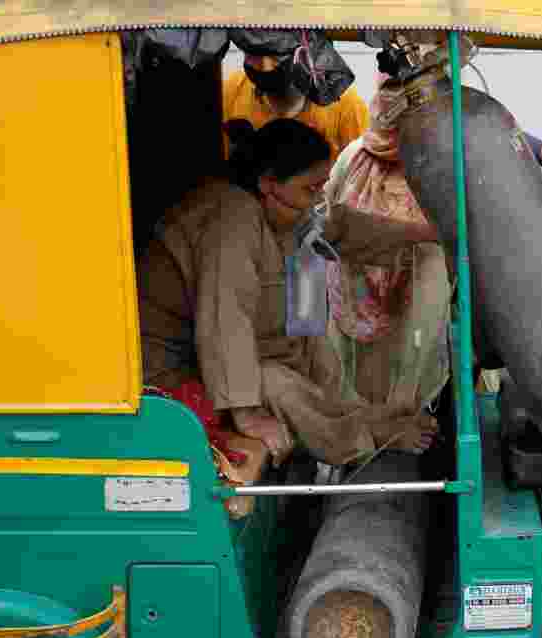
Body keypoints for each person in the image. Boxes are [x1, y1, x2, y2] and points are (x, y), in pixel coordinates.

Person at [137, 119, 439, 467]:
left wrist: (424, 233)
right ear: (267, 184)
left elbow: (342, 226)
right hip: (167, 373)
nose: (318, 201)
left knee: (310, 341)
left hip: (211, 356)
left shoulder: (285, 208)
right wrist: (248, 414)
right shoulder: (230, 217)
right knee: (274, 381)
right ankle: (365, 438)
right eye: (311, 190)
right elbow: (226, 316)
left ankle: (363, 416)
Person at [321, 75, 452, 413]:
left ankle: (402, 413)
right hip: (352, 295)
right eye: (385, 95)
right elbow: (324, 219)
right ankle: (360, 426)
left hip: (414, 300)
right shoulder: (353, 157)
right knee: (351, 388)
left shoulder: (440, 165)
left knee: (408, 374)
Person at [223, 52, 369, 164]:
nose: (266, 66)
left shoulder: (347, 106)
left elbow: (358, 187)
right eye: (254, 53)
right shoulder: (231, 91)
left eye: (277, 53)